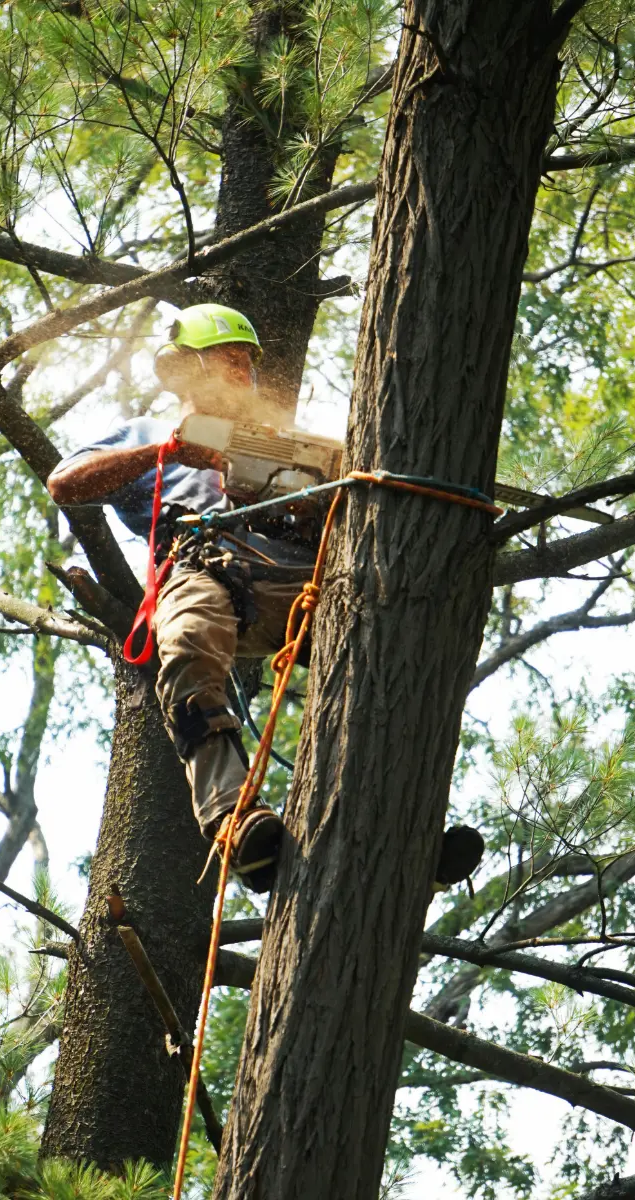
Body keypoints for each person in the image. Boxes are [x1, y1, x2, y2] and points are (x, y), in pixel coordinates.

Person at [47, 303, 484, 894]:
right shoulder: (148, 436)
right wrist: (171, 452)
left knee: (387, 650)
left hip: (300, 577)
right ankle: (233, 820)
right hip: (205, 568)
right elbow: (65, 484)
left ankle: (403, 827)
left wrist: (321, 486)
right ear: (185, 369)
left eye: (249, 365)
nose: (244, 375)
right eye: (230, 361)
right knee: (189, 642)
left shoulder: (284, 443)